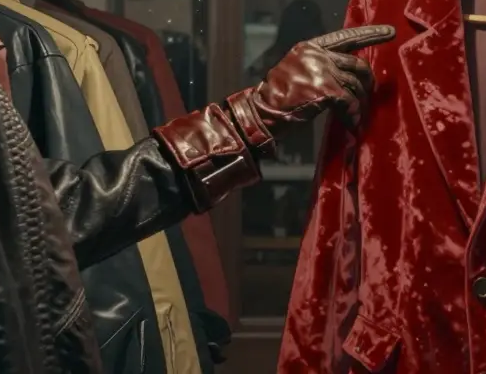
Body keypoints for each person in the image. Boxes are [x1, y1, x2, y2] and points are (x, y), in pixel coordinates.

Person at [53, 23, 394, 371]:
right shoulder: (47, 46)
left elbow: (69, 207)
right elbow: (68, 213)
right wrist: (255, 115)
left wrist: (255, 115)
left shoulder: (61, 46)